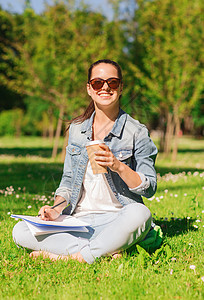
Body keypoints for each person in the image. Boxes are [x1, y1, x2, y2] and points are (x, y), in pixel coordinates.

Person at [12, 59, 158, 264]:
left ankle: (76, 256)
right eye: (98, 82)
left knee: (141, 213)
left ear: (121, 87)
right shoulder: (77, 130)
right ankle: (102, 249)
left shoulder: (137, 132)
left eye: (113, 82)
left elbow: (149, 187)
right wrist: (55, 210)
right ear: (89, 89)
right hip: (79, 220)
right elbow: (68, 179)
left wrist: (118, 166)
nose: (105, 87)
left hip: (117, 217)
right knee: (20, 230)